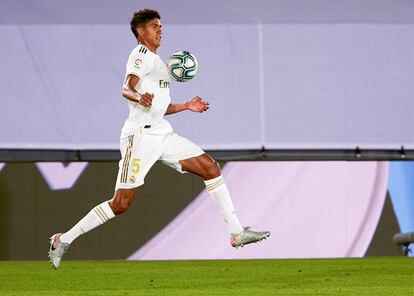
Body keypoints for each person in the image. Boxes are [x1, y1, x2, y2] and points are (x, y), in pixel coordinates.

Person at [48, 8, 270, 269]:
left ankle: (237, 232)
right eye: (154, 26)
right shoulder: (140, 55)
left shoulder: (158, 63)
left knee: (210, 167)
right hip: (139, 137)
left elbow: (160, 108)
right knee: (120, 204)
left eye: (161, 26)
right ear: (141, 32)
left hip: (162, 132)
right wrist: (136, 96)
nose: (160, 30)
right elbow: (125, 87)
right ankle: (63, 240)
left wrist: (186, 105)